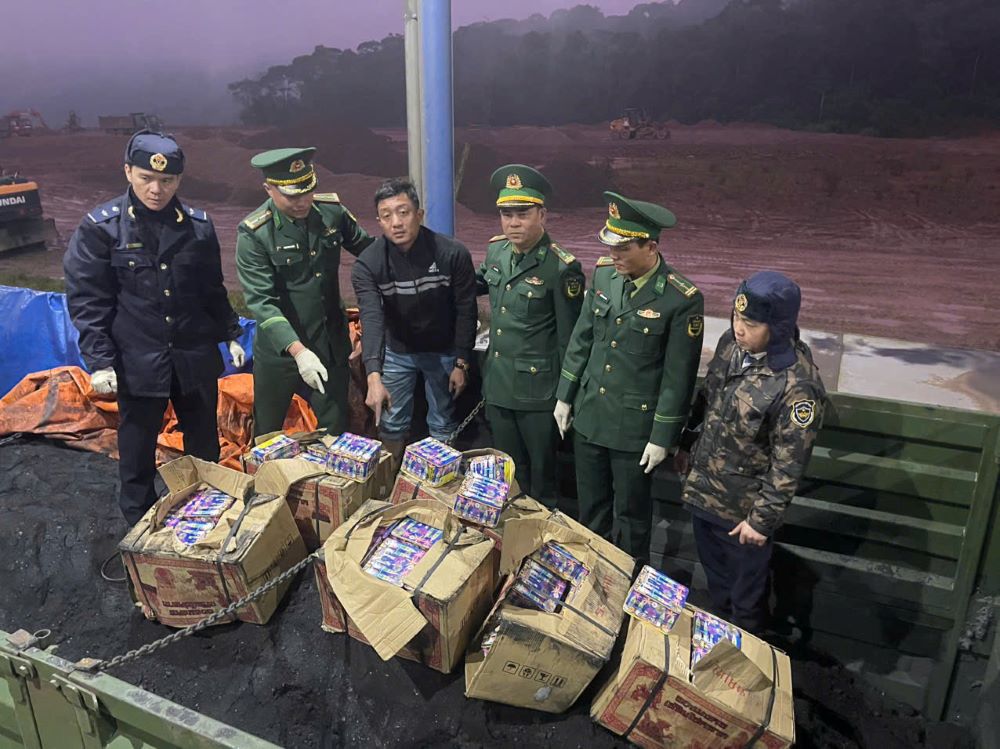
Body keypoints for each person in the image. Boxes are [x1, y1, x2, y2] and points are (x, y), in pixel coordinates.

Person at [64, 130, 244, 525]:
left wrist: (229, 333)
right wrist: (100, 361)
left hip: (193, 357)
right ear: (128, 171)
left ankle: (205, 517)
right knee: (137, 449)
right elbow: (88, 300)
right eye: (146, 177)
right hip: (137, 360)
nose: (156, 189)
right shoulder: (102, 228)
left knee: (204, 447)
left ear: (179, 180)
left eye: (167, 180)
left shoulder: (198, 227)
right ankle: (140, 525)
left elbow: (211, 289)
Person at [554, 192, 704, 562]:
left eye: (623, 248)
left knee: (632, 518)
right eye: (611, 246)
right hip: (590, 417)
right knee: (591, 511)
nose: (614, 255)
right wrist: (565, 395)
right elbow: (582, 339)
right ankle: (590, 579)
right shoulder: (606, 275)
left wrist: (662, 436)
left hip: (633, 429)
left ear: (650, 247)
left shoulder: (679, 299)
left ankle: (627, 584)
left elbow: (678, 377)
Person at [674, 271, 825, 633]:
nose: (739, 328)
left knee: (746, 605)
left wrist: (761, 521)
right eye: (736, 317)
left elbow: (788, 466)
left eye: (751, 323)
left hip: (743, 517)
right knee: (719, 592)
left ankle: (744, 675)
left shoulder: (797, 387)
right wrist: (685, 443)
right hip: (704, 494)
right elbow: (707, 399)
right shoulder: (732, 345)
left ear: (779, 327)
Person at [236, 147, 374, 436]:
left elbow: (369, 250)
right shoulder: (255, 233)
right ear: (269, 189)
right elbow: (262, 302)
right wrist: (298, 352)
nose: (302, 202)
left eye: (307, 191)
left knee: (334, 429)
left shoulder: (330, 214)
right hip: (281, 350)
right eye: (291, 195)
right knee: (268, 434)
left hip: (329, 343)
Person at [475, 165, 584, 506]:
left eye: (522, 214)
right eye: (506, 214)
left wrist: (567, 397)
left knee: (541, 481)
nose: (513, 223)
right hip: (498, 386)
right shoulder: (497, 252)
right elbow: (474, 286)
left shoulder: (561, 267)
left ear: (542, 214)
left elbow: (571, 340)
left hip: (539, 396)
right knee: (506, 477)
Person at [351, 178, 478, 463]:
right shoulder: (368, 264)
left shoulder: (452, 254)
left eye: (403, 212)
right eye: (387, 216)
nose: (396, 222)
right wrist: (374, 375)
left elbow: (466, 309)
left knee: (442, 423)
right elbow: (371, 318)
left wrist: (461, 361)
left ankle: (438, 488)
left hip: (443, 349)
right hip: (398, 351)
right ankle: (387, 487)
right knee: (391, 423)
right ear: (379, 222)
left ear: (419, 215)